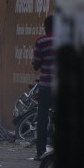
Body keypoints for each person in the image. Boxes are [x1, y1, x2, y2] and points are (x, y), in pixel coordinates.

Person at [32, 15, 54, 160]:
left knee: (42, 119)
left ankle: (41, 151)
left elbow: (36, 65)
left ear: (46, 27)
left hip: (46, 86)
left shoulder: (41, 42)